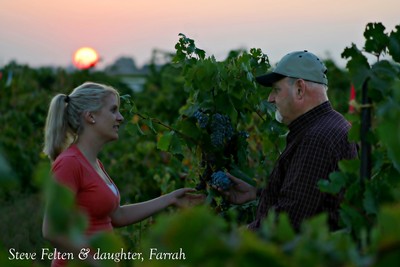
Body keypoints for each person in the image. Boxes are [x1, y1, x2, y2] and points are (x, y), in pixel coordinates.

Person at [42, 82, 204, 267]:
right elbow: (51, 231)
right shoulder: (69, 163)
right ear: (90, 116)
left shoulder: (95, 164)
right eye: (113, 110)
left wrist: (171, 199)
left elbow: (117, 216)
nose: (120, 118)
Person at [223, 50, 358, 232]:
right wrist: (256, 194)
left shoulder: (317, 139)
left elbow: (288, 222)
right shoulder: (330, 125)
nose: (270, 98)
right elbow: (308, 195)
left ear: (300, 89)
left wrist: (232, 238)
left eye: (276, 90)